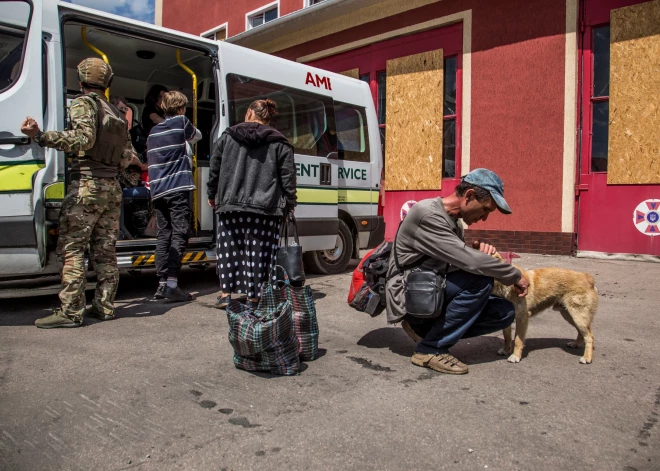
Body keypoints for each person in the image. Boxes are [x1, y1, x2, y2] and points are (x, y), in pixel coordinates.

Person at [20, 58, 134, 328]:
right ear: (107, 83)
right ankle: (104, 307)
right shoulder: (117, 114)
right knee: (105, 251)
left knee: (72, 248)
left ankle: (70, 312)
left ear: (81, 80)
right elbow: (128, 156)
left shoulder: (83, 103)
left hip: (87, 184)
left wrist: (40, 135)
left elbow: (83, 139)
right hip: (111, 188)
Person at [385, 168, 530, 374]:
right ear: (469, 196)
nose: (485, 218)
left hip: (431, 291)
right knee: (479, 282)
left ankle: (428, 333)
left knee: (504, 312)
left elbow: (457, 260)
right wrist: (514, 275)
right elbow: (469, 263)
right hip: (411, 295)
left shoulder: (454, 222)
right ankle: (430, 349)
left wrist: (477, 252)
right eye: (486, 210)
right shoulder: (427, 213)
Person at [207, 99, 297, 310]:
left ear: (249, 113)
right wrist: (290, 203)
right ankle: (254, 298)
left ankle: (226, 294)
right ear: (268, 118)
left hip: (230, 204)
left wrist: (213, 194)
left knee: (229, 249)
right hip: (265, 208)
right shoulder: (280, 142)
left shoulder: (227, 137)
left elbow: (215, 169)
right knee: (259, 252)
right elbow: (288, 177)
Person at [147, 91, 202, 302]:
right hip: (177, 188)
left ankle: (161, 285)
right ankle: (172, 284)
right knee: (180, 233)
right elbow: (197, 136)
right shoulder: (181, 122)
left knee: (164, 235)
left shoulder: (153, 132)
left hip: (158, 190)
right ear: (181, 109)